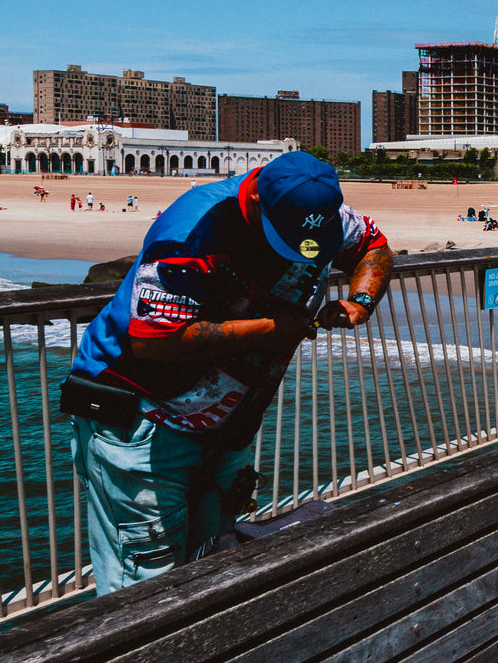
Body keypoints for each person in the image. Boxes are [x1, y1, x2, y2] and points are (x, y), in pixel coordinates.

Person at [62, 151, 393, 595]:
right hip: (143, 421)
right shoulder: (192, 232)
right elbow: (153, 339)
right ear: (256, 199)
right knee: (145, 581)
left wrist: (361, 302)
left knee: (213, 563)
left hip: (226, 427)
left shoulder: (311, 209)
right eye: (287, 239)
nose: (304, 251)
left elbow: (373, 245)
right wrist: (272, 329)